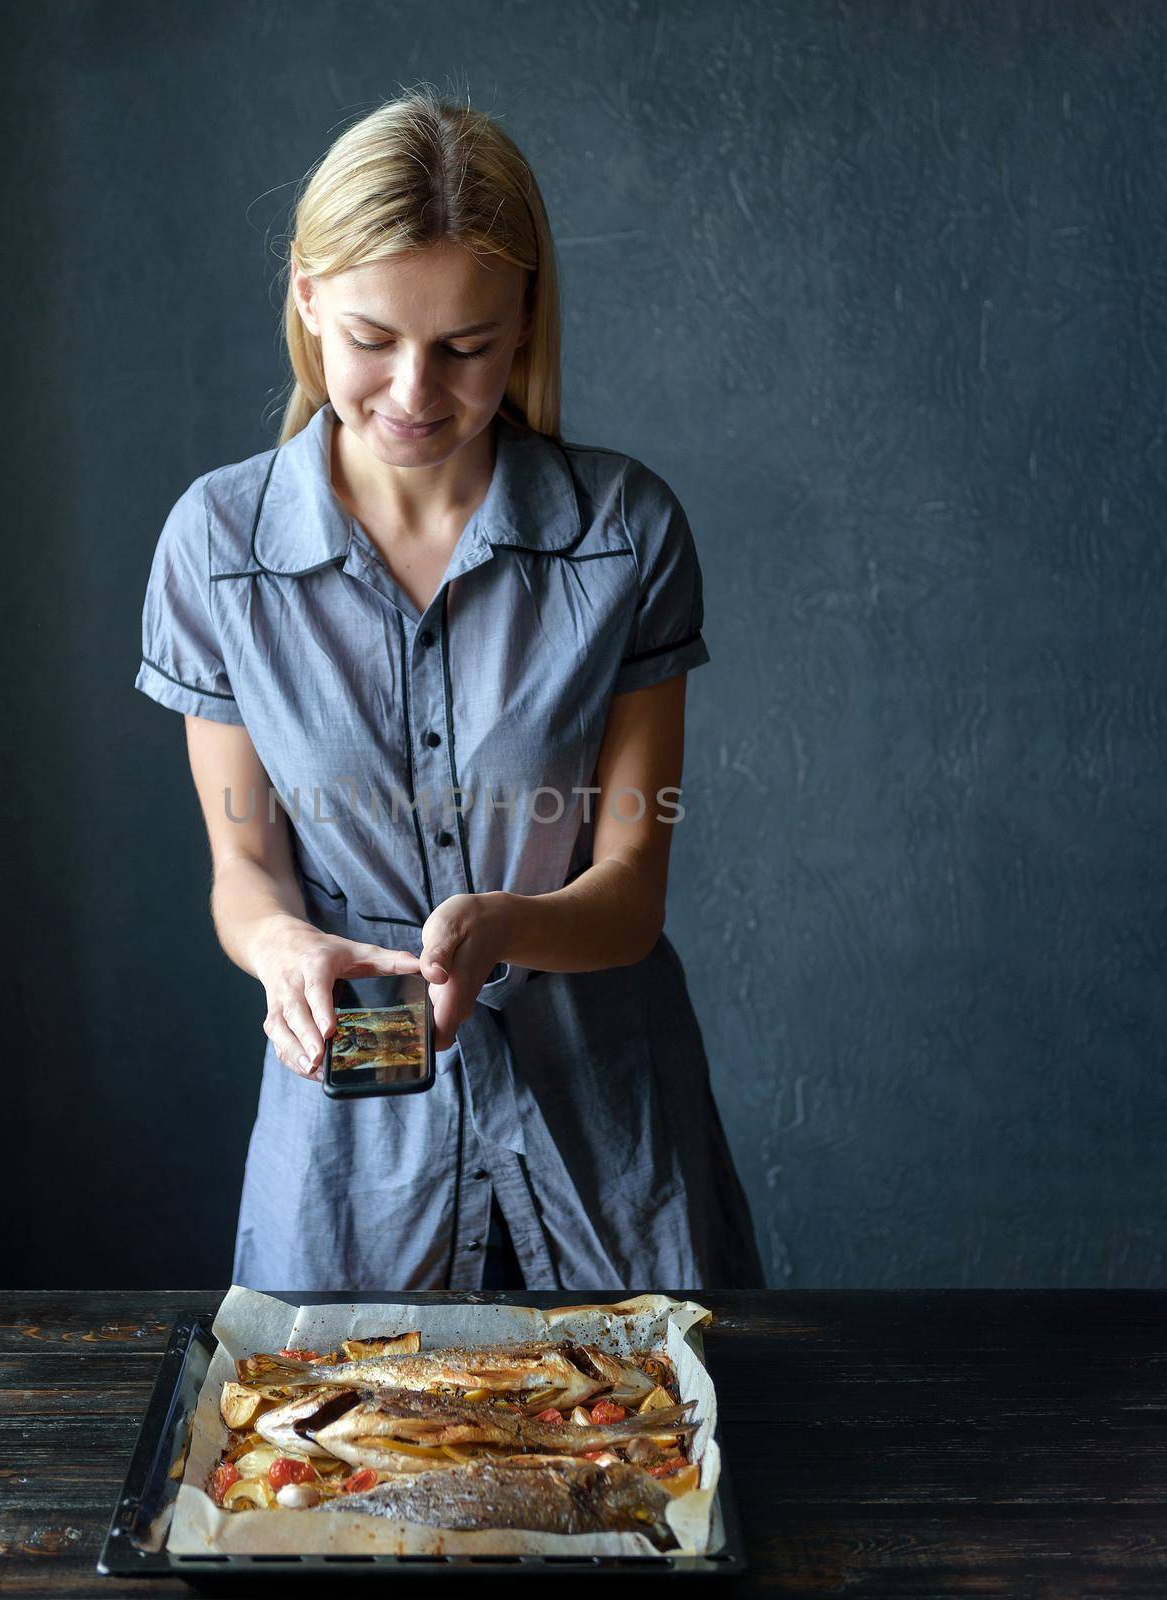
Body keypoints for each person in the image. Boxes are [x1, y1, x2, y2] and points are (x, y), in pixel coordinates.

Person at [135, 86, 766, 1293]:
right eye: (373, 338)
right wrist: (279, 951)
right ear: (308, 297)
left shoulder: (624, 532)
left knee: (641, 1458)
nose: (415, 392)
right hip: (349, 1167)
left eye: (465, 347)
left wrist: (502, 929)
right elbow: (243, 862)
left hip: (609, 1153)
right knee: (331, 1469)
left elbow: (631, 889)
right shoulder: (215, 544)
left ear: (524, 324)